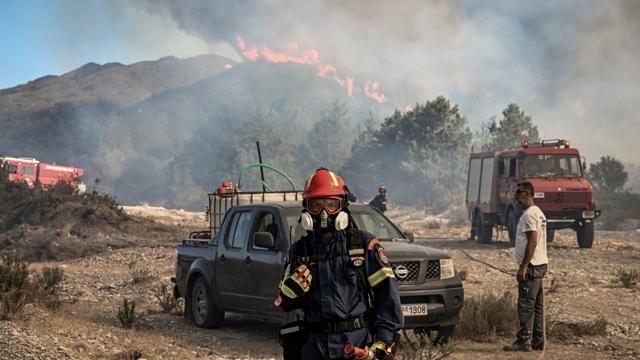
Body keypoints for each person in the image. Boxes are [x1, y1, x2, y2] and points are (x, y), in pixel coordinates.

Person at [277, 168, 403, 359]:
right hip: (315, 347)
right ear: (306, 209)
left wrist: (384, 341)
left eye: (331, 204)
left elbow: (387, 295)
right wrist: (288, 295)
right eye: (316, 205)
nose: (324, 213)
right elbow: (286, 303)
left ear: (343, 206)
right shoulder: (299, 252)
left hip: (357, 346)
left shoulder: (363, 246)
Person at [504, 181, 548, 352]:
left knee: (525, 304)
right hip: (539, 264)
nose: (517, 199)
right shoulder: (539, 213)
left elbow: (532, 241)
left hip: (531, 266)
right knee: (537, 304)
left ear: (529, 195)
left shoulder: (529, 215)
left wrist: (523, 267)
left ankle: (523, 341)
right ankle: (538, 340)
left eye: (520, 195)